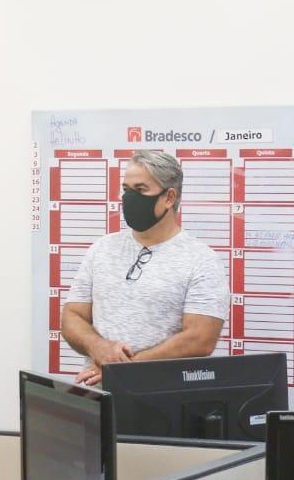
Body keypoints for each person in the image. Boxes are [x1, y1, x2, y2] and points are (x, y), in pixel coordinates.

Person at [61, 151, 228, 385]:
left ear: (169, 197)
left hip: (160, 399)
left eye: (140, 190)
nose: (130, 199)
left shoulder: (202, 260)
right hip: (97, 394)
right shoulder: (102, 248)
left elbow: (199, 339)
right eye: (126, 190)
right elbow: (72, 315)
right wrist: (98, 346)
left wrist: (124, 369)